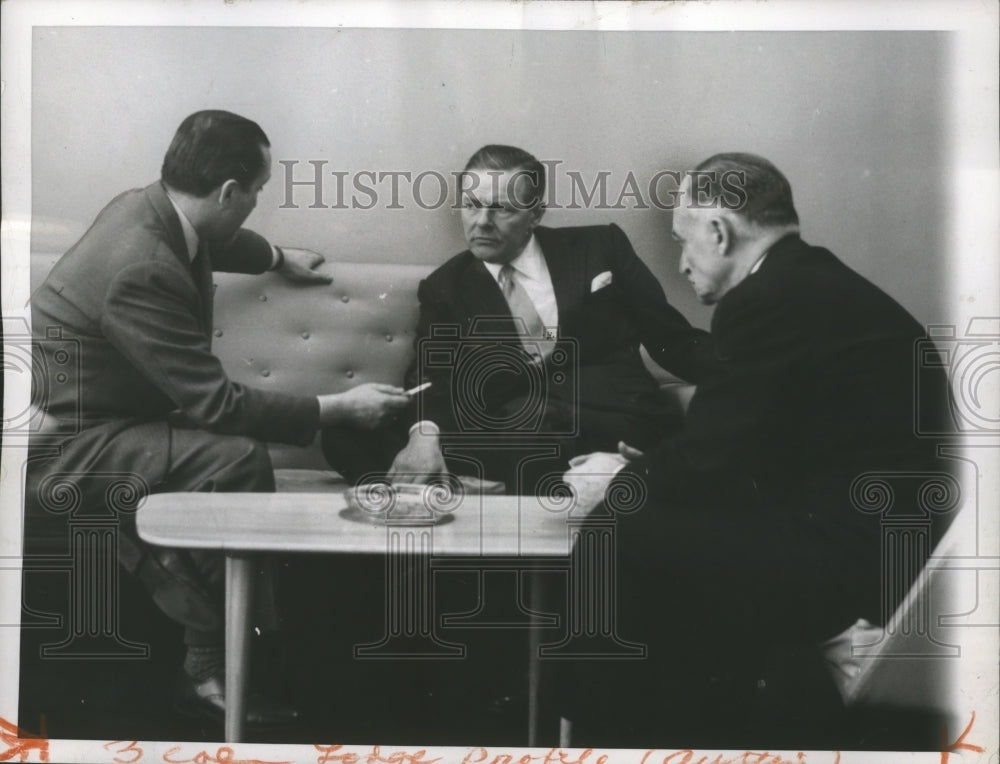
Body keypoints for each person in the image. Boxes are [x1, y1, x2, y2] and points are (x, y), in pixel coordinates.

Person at [25, 110, 410, 725]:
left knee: (224, 458)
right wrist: (339, 407)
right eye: (256, 191)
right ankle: (209, 672)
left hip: (92, 412)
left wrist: (278, 256)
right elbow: (218, 406)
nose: (256, 201)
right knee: (231, 458)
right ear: (230, 191)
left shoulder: (146, 206)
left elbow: (214, 238)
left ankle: (226, 656)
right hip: (59, 439)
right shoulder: (142, 267)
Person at [561, 153, 954, 747]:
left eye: (681, 241)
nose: (681, 261)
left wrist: (620, 479)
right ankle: (684, 725)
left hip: (847, 557)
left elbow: (711, 461)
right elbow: (740, 444)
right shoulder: (807, 281)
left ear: (718, 232)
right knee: (649, 520)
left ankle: (601, 739)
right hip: (872, 533)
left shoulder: (768, 298)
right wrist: (645, 471)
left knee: (617, 529)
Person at [323, 144, 712, 493]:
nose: (481, 222)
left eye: (502, 208)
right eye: (472, 205)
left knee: (532, 429)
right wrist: (424, 436)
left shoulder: (599, 247)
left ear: (536, 214)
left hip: (607, 416)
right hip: (514, 426)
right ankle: (479, 479)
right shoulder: (446, 285)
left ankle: (470, 480)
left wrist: (751, 371)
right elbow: (431, 377)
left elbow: (671, 338)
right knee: (344, 436)